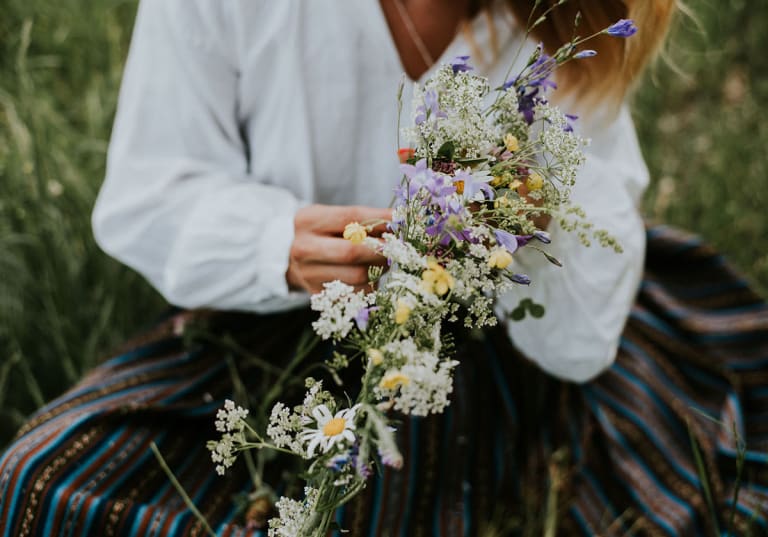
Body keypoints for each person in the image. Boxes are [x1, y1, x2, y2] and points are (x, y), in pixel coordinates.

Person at [1, 1, 766, 535]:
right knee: (40, 481)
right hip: (275, 326)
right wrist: (279, 243)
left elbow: (580, 332)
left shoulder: (562, 21)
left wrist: (530, 218)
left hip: (493, 349)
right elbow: (148, 193)